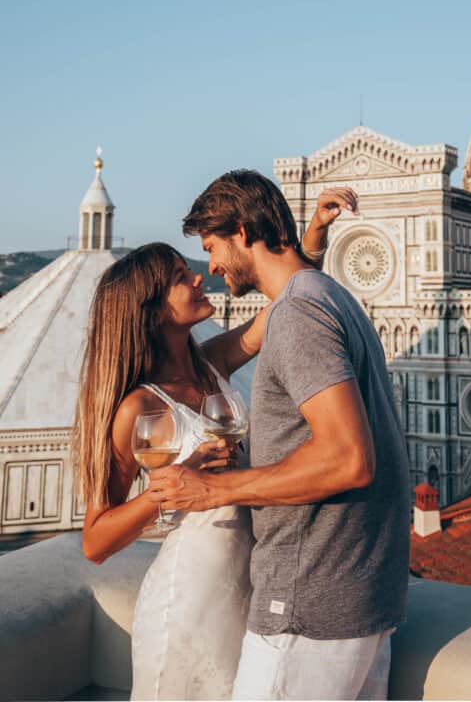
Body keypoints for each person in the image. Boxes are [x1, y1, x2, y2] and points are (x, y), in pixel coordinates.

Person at [72, 188, 350, 701]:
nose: (199, 276)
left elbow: (276, 310)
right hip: (188, 595)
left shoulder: (210, 363)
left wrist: (311, 240)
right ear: (152, 310)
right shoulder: (139, 407)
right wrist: (169, 488)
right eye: (181, 278)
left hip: (243, 591)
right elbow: (95, 541)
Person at [150, 170, 411, 702]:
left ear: (243, 232)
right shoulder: (325, 295)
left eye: (211, 247)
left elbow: (346, 459)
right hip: (359, 595)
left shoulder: (298, 313)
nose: (212, 267)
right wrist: (310, 238)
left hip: (308, 604)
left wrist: (214, 489)